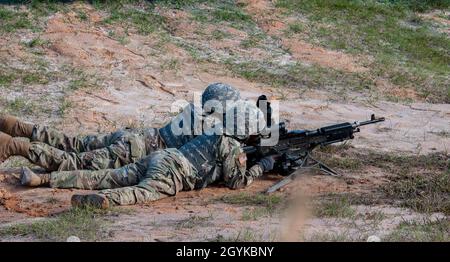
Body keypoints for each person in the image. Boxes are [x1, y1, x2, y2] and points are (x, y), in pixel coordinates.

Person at [20, 100, 276, 209]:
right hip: (173, 172)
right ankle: (103, 199)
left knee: (107, 174)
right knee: (141, 192)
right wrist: (262, 166)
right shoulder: (231, 146)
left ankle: (44, 179)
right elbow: (236, 182)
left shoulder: (214, 130)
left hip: (161, 156)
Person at [0, 83, 241, 171]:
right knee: (72, 162)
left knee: (75, 144)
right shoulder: (212, 126)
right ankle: (14, 146)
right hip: (135, 150)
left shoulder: (195, 110)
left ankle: (16, 126)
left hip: (138, 136)